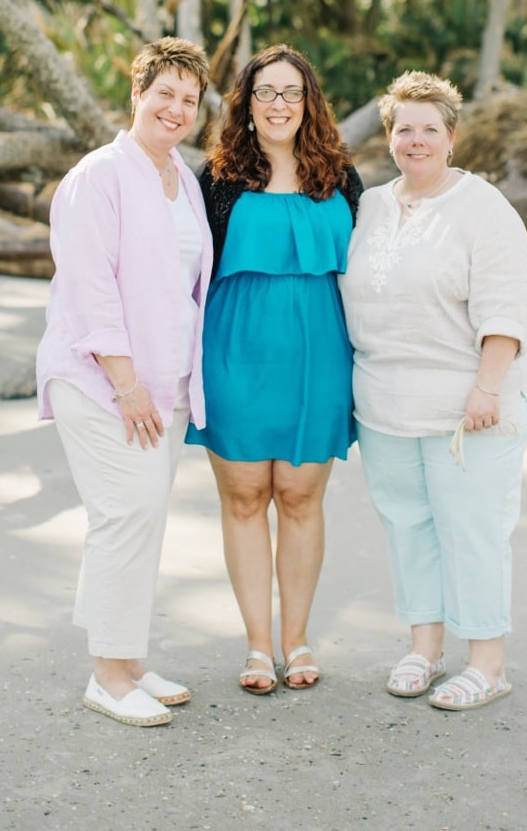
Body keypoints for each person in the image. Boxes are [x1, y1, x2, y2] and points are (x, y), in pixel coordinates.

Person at [338, 70, 527, 711]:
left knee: (473, 528)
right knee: (408, 525)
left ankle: (488, 660)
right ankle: (424, 647)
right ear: (389, 139)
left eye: (430, 129)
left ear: (451, 138)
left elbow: (508, 305)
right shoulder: (369, 206)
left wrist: (488, 388)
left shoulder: (483, 209)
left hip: (470, 405)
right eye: (404, 129)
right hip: (385, 404)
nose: (416, 140)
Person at [35, 38, 213, 728]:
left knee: (141, 519)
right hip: (103, 381)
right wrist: (126, 382)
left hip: (160, 385)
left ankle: (129, 660)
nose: (175, 108)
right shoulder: (98, 175)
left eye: (188, 99)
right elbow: (88, 287)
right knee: (123, 516)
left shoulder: (183, 179)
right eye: (163, 92)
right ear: (137, 94)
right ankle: (107, 677)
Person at [186, 45, 363, 694]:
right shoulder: (217, 179)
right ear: (247, 104)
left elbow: (370, 273)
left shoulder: (341, 179)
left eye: (291, 92)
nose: (279, 104)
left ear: (309, 102)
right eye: (266, 93)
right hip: (233, 354)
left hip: (319, 357)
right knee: (242, 498)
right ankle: (258, 647)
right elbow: (183, 268)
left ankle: (298, 640)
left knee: (298, 496)